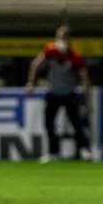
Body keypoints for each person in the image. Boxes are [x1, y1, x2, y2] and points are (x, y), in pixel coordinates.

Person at [26, 24, 91, 161]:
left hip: (69, 94)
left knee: (76, 124)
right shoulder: (50, 51)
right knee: (49, 124)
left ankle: (84, 150)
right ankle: (53, 152)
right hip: (53, 93)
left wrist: (87, 100)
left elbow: (84, 78)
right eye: (60, 36)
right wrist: (32, 82)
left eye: (64, 37)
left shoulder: (75, 56)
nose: (62, 39)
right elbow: (35, 65)